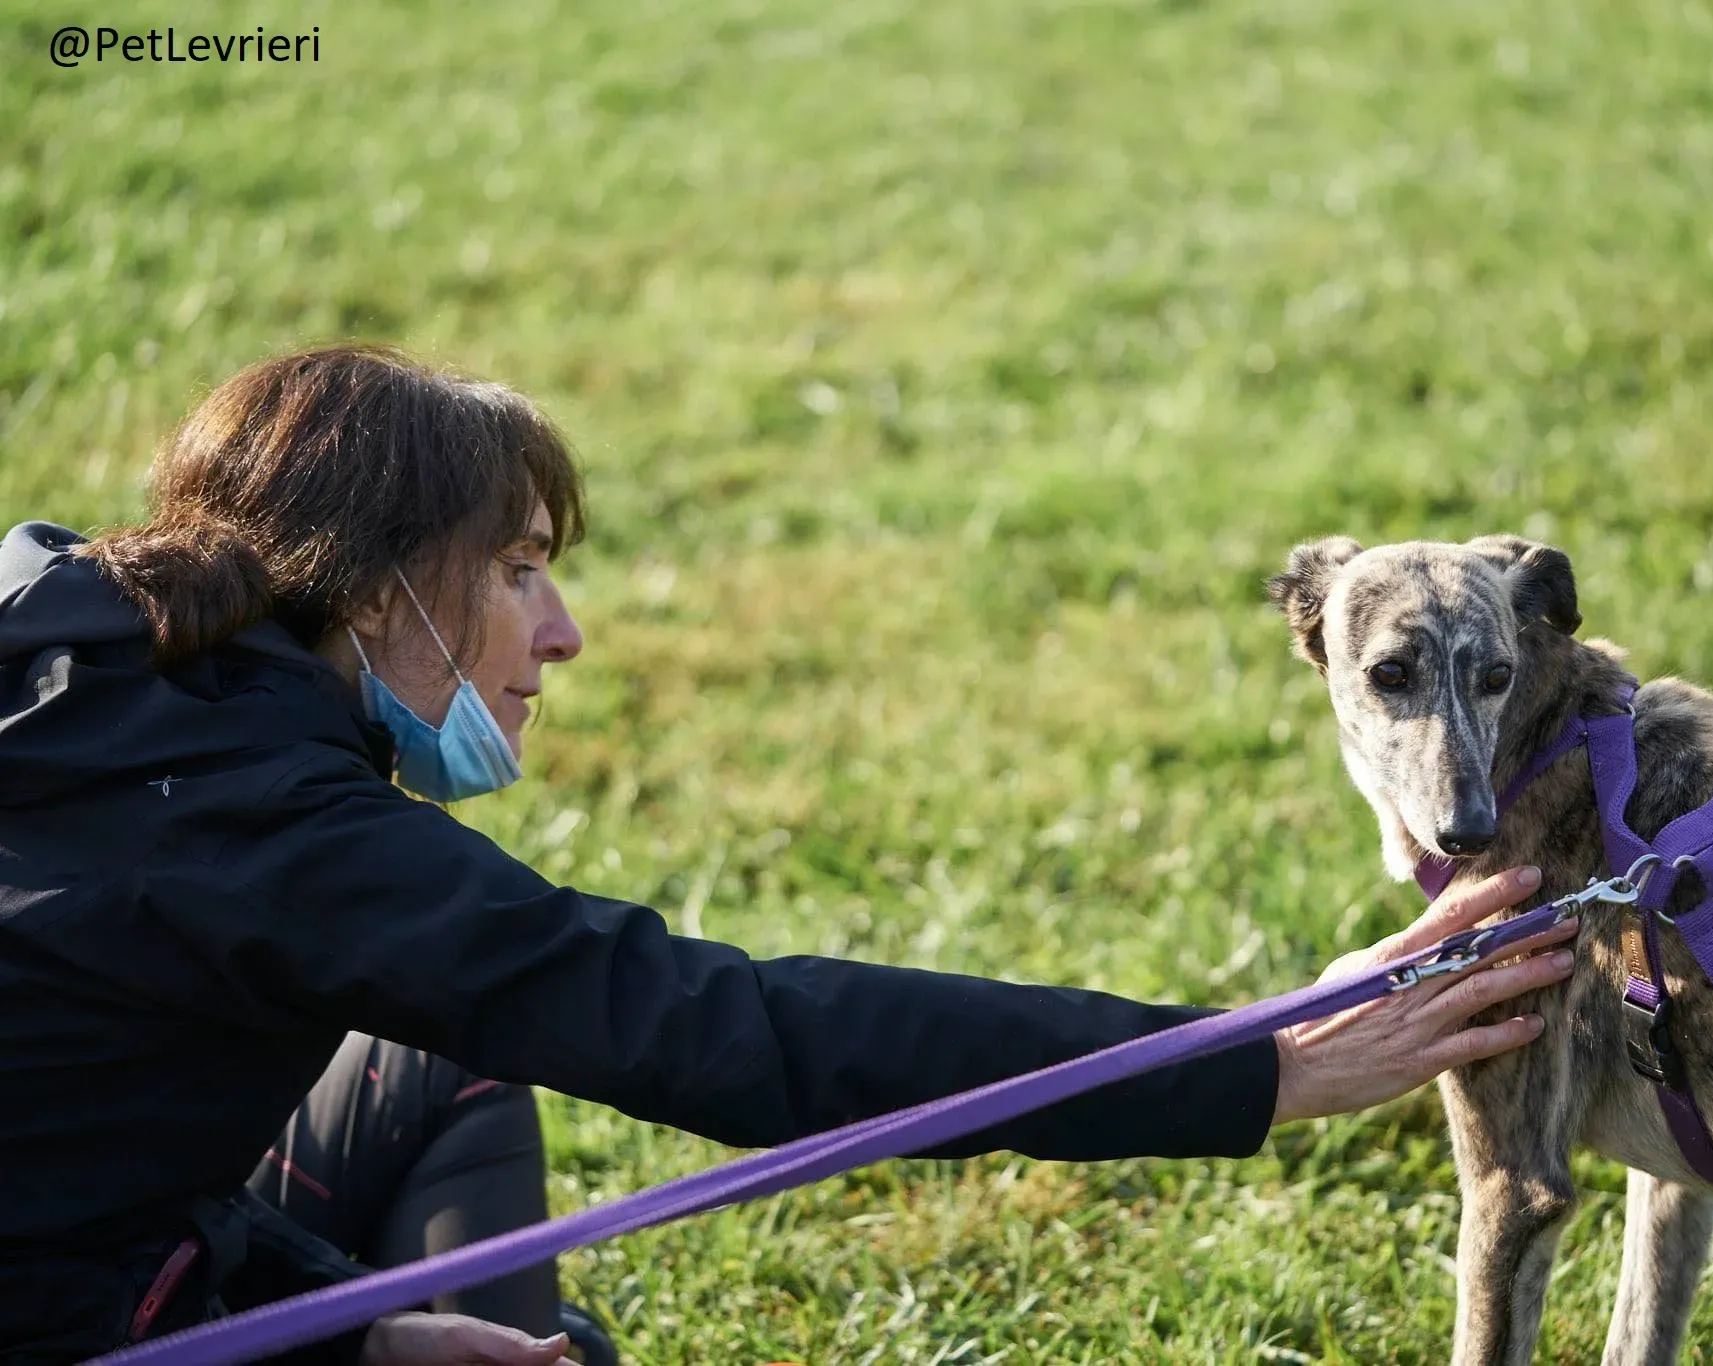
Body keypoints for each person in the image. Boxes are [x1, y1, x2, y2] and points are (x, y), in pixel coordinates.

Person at [0, 345, 1577, 1366]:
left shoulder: (56, 608)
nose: (561, 630)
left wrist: (353, 1331)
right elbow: (739, 1031)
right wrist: (1259, 1059)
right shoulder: (280, 840)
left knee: (437, 1088)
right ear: (376, 590)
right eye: (523, 570)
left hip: (85, 1231)